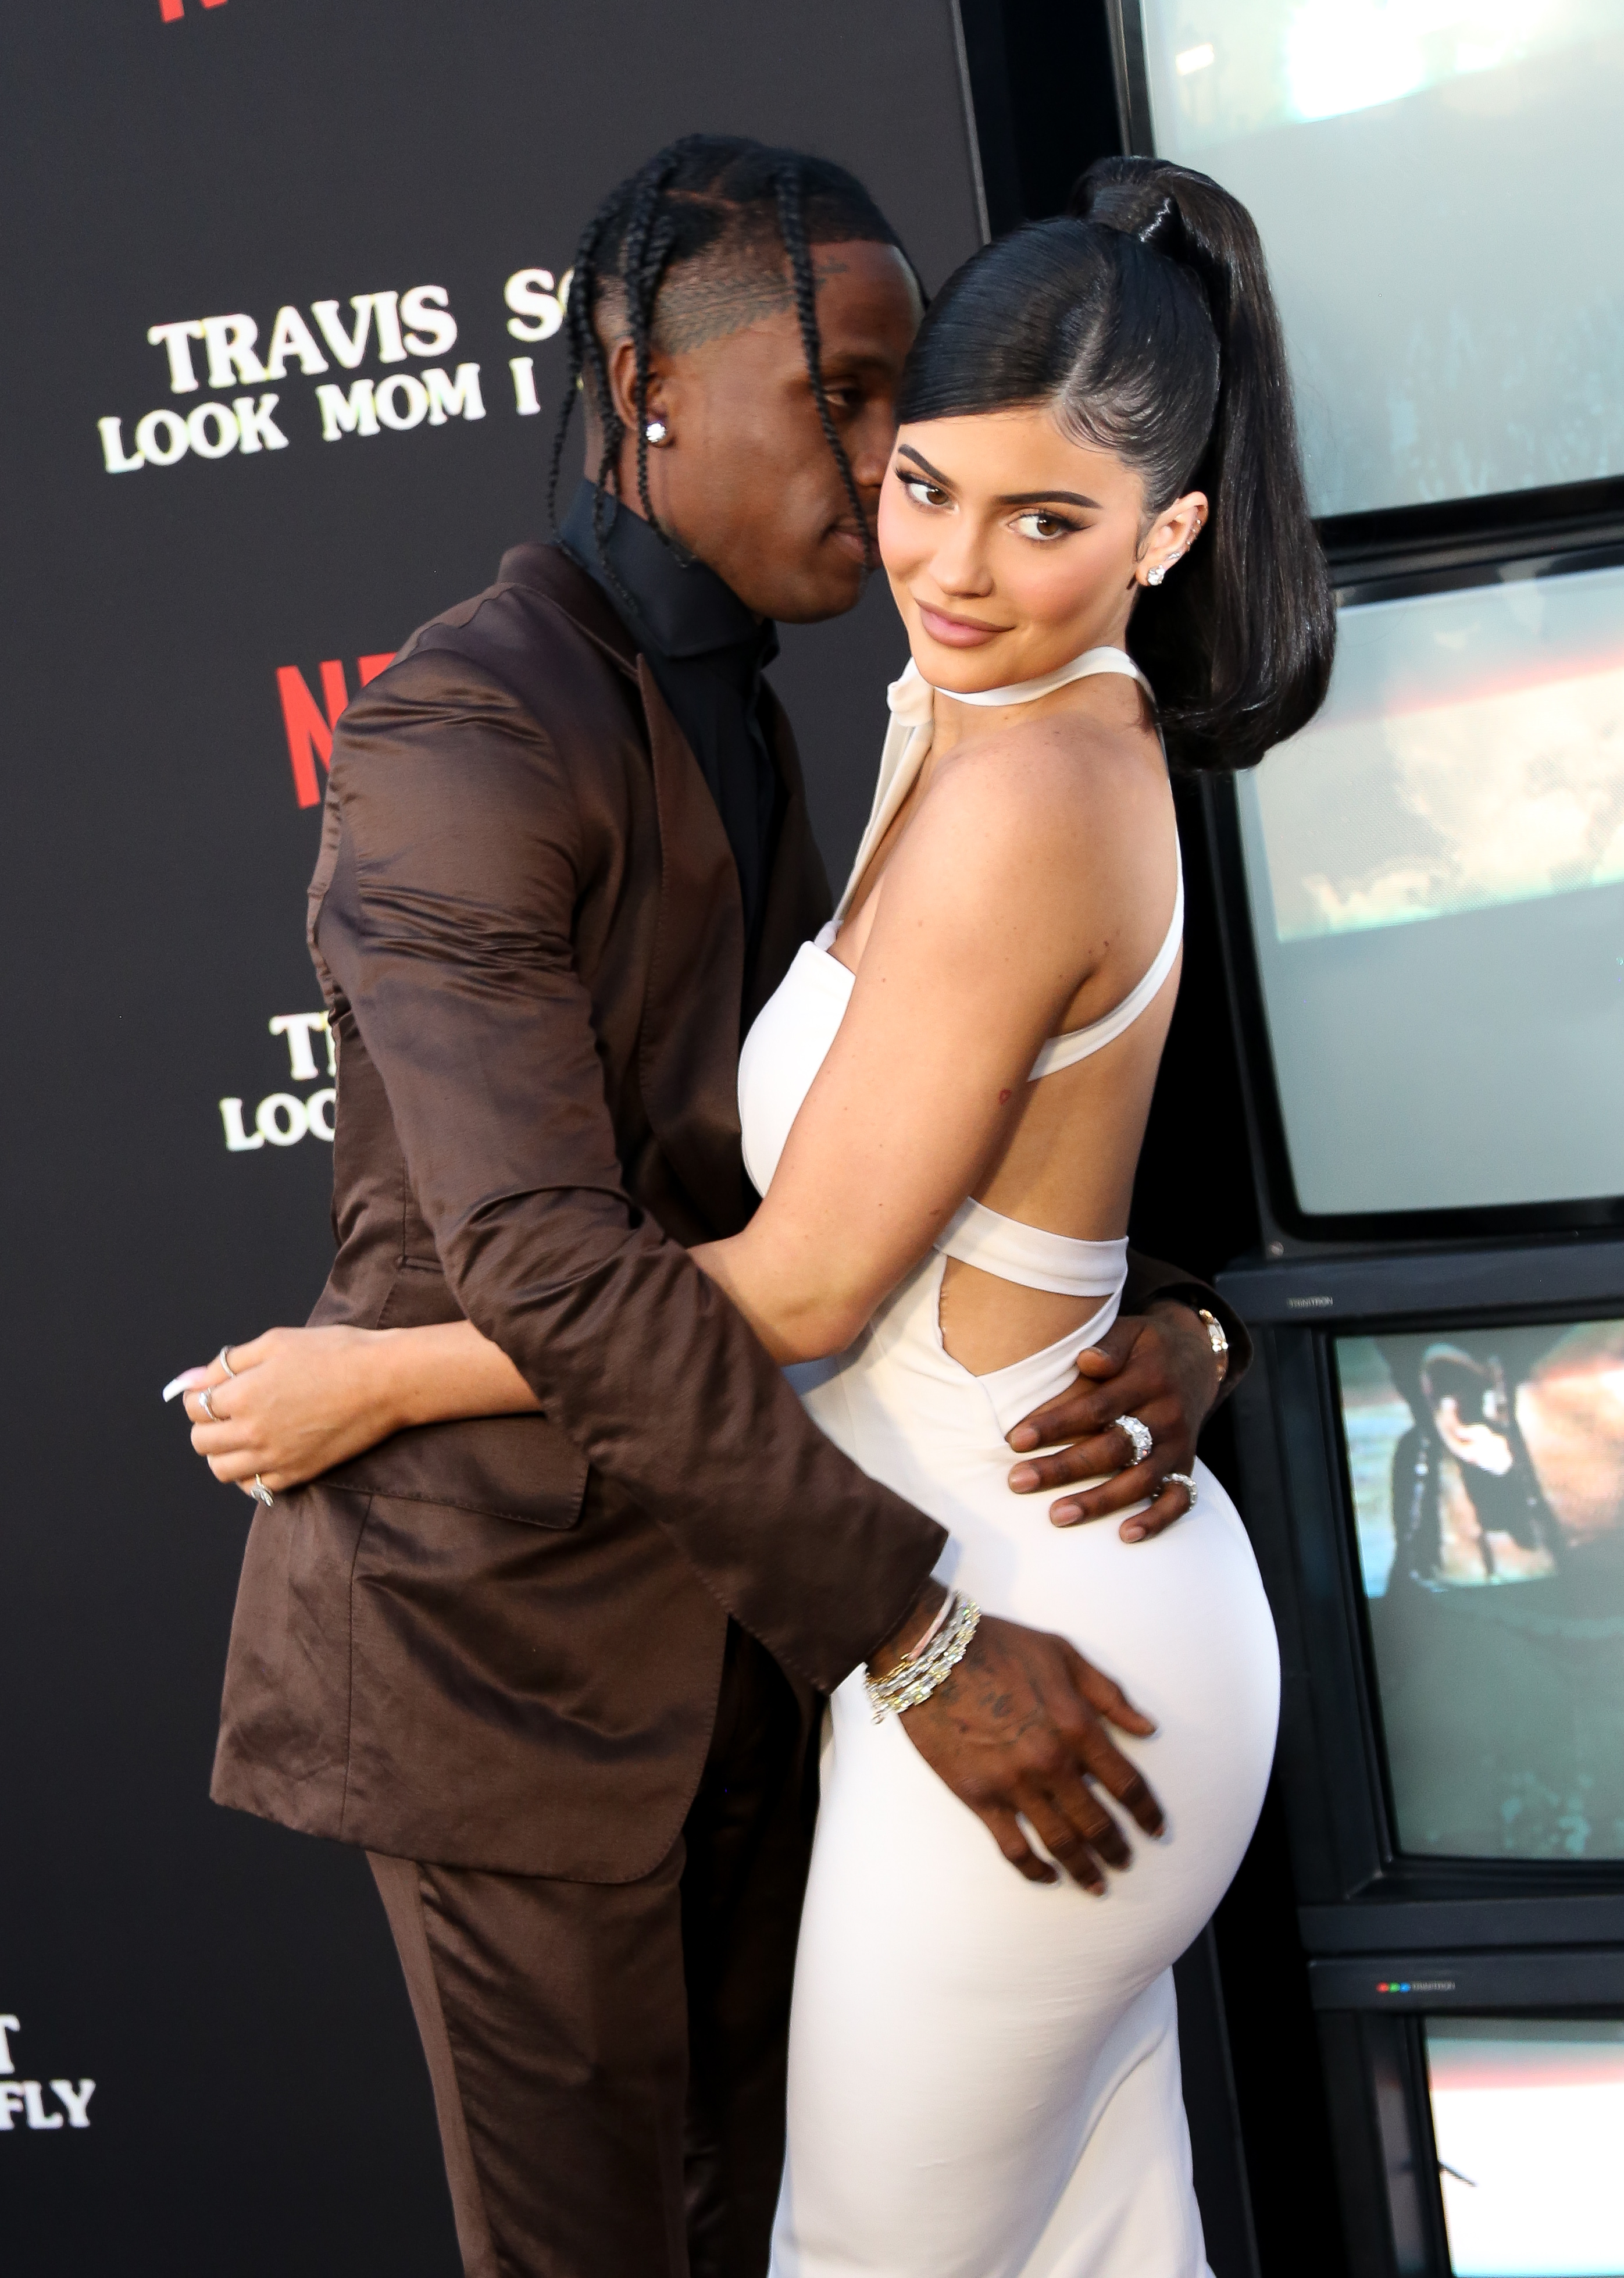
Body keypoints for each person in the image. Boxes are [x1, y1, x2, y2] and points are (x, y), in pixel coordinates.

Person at [166, 140, 1248, 2278]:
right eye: (843, 406)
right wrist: (916, 1626)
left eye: (914, 427)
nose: (885, 483)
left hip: (779, 1635)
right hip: (523, 1666)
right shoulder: (463, 731)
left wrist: (1163, 1316)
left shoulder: (812, 705)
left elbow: (915, 1144)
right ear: (638, 375)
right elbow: (559, 1265)